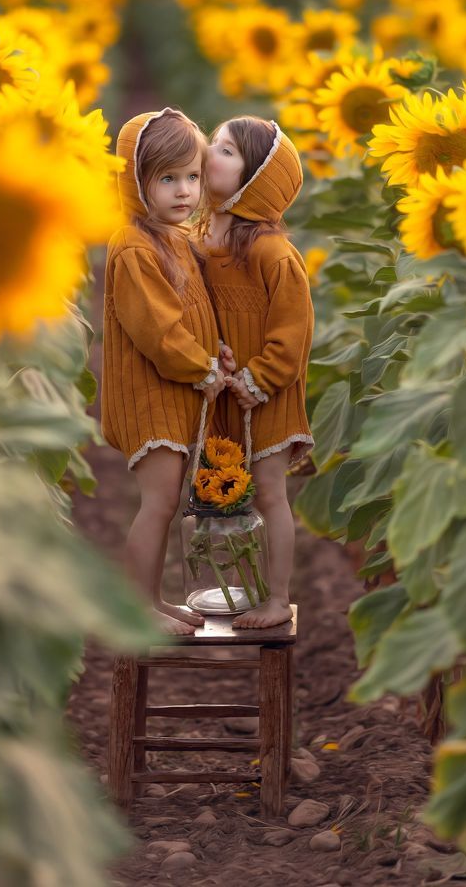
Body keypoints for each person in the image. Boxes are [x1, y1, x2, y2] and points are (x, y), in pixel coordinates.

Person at [101, 107, 228, 635]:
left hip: (173, 390)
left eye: (192, 177)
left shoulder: (174, 237)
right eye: (167, 179)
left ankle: (153, 599)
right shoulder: (133, 247)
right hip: (149, 395)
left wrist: (216, 352)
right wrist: (201, 367)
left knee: (168, 500)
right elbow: (157, 329)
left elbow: (193, 312)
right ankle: (138, 609)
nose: (184, 191)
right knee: (157, 503)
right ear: (136, 183)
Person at [193, 115, 314, 629]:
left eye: (226, 150)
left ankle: (276, 597)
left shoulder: (271, 251)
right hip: (219, 392)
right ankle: (232, 588)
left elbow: (293, 329)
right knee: (222, 493)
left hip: (265, 394)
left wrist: (257, 379)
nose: (210, 153)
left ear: (256, 178)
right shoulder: (198, 238)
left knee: (268, 493)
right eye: (212, 143)